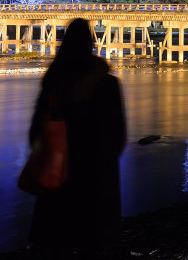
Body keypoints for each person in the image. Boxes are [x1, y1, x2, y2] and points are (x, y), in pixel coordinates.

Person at [28, 18, 126, 259]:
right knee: (91, 241)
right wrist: (106, 159)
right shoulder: (107, 83)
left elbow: (35, 131)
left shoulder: (53, 81)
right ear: (91, 43)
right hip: (95, 171)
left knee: (57, 239)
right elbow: (119, 134)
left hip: (59, 169)